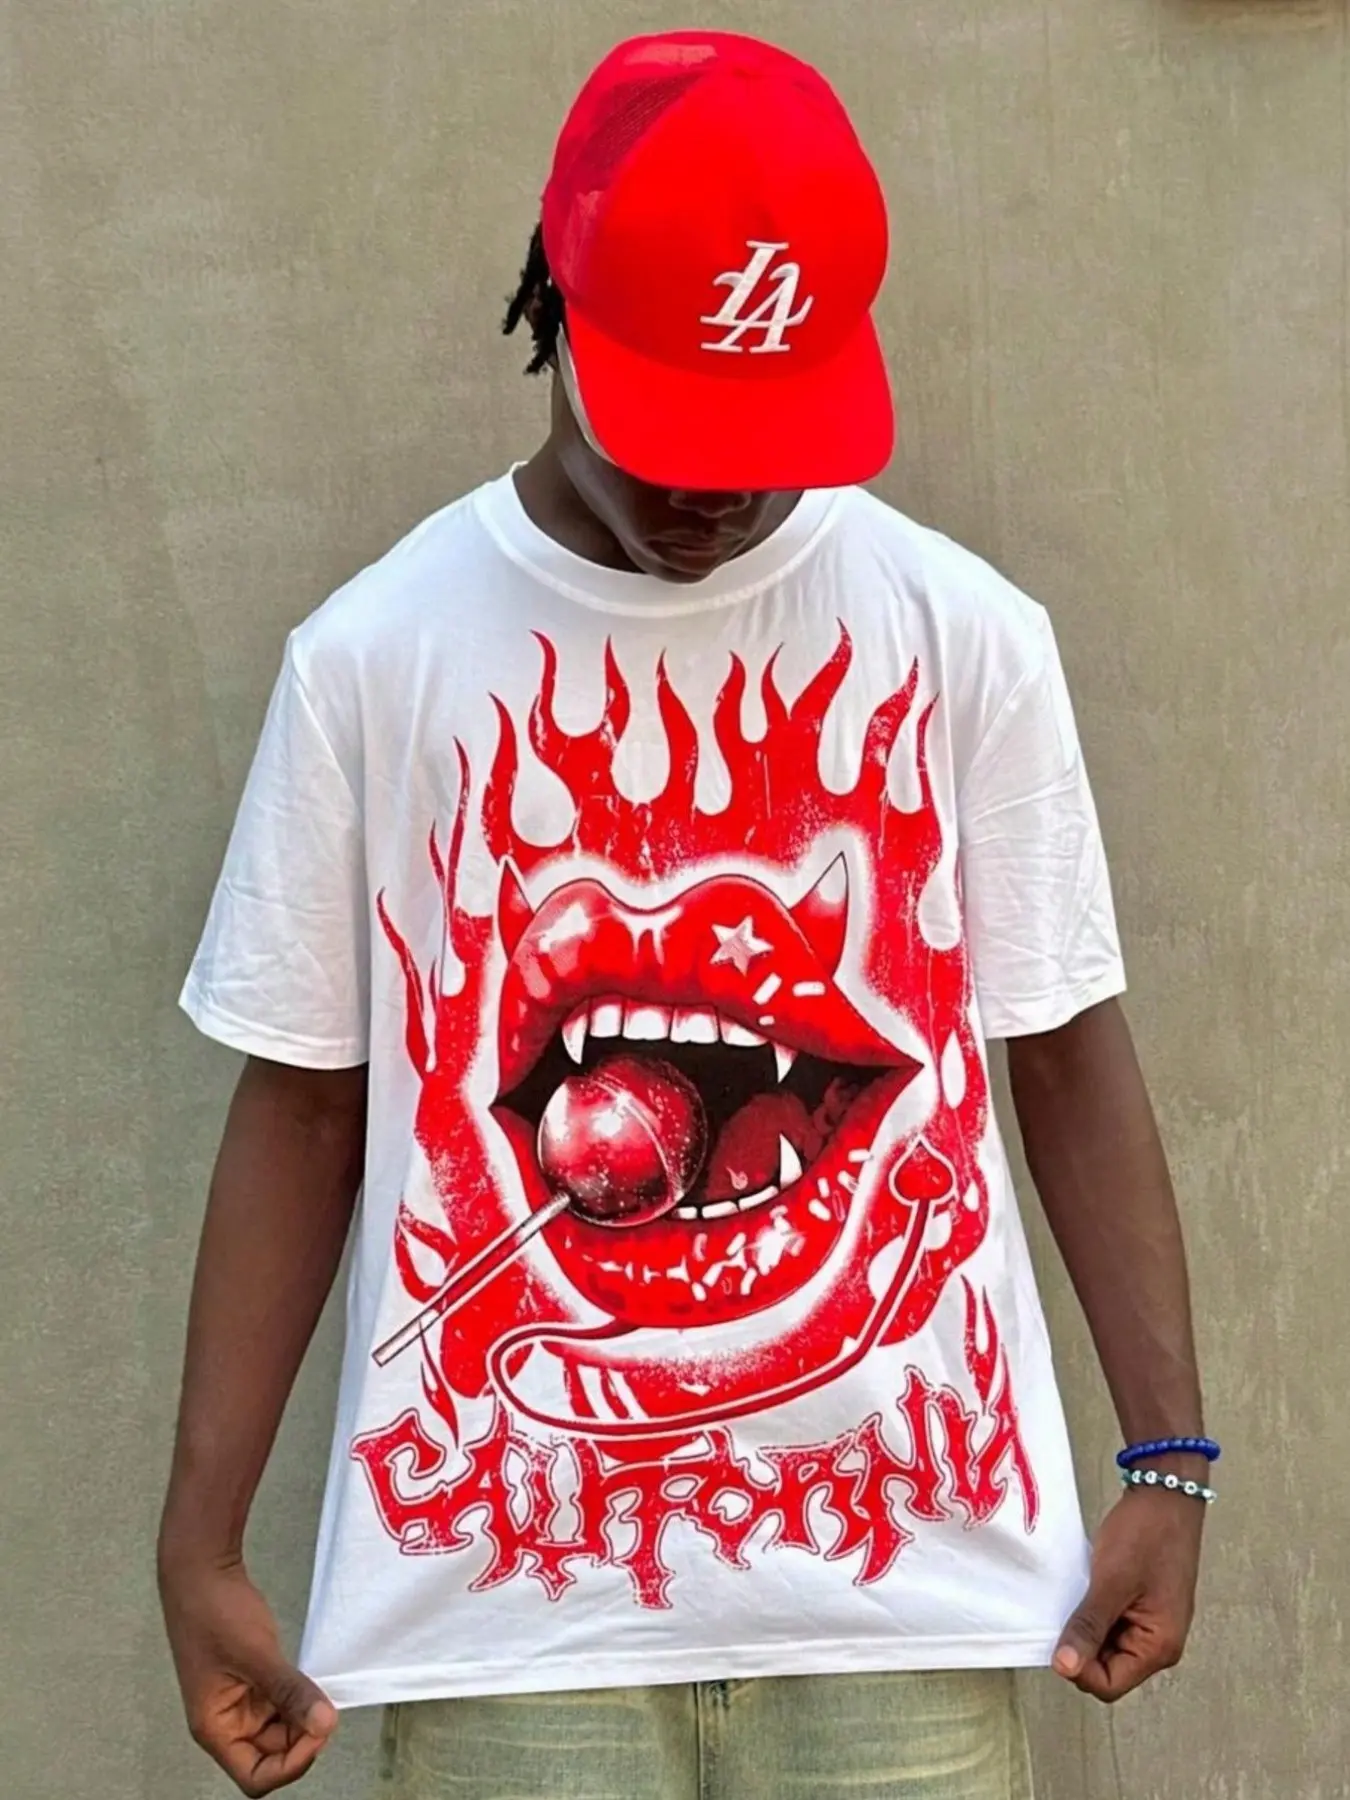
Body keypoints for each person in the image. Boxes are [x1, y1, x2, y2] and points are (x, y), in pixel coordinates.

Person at [158, 30, 1211, 1800]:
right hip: (502, 1633)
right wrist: (200, 1541)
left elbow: (1064, 1049)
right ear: (554, 312)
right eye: (672, 429)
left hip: (909, 1606)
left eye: (762, 433)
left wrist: (1167, 1460)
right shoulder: (374, 661)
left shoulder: (962, 636)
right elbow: (305, 1105)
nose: (715, 489)